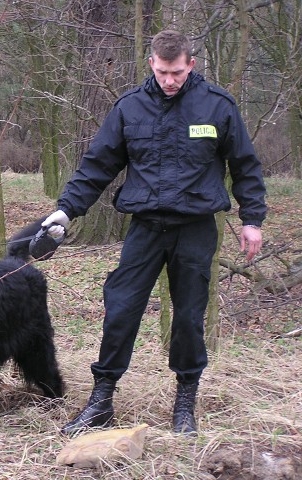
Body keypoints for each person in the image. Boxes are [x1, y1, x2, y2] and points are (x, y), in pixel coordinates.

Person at [42, 30, 267, 436]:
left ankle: (185, 405)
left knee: (188, 318)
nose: (169, 80)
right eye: (163, 72)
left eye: (177, 72)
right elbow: (96, 167)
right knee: (121, 309)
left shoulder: (217, 107)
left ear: (191, 65)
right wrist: (65, 211)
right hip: (145, 228)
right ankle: (102, 400)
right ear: (151, 64)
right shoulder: (130, 108)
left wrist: (252, 220)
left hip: (196, 229)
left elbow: (245, 166)